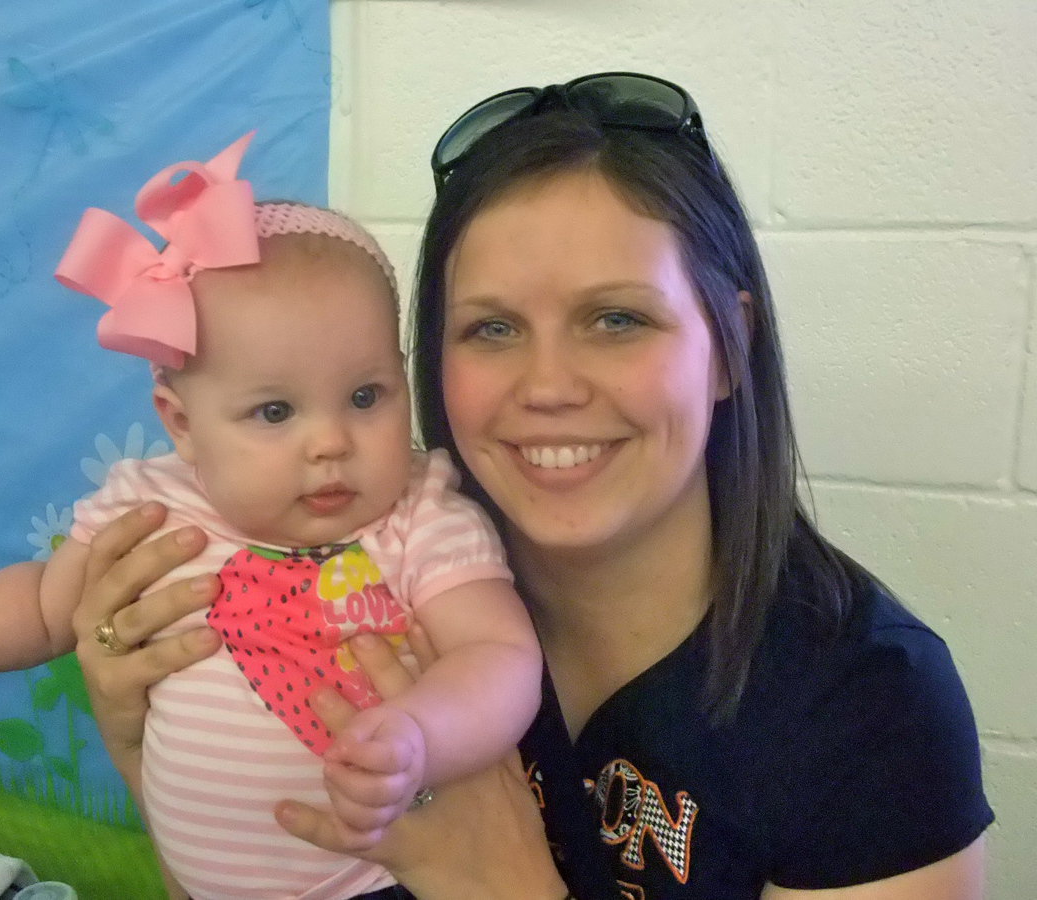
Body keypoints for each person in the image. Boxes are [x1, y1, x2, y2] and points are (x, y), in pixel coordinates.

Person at [66, 73, 994, 899]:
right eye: (494, 330)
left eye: (617, 319)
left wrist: (500, 884)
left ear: (730, 345)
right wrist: (133, 735)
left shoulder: (871, 709)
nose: (547, 386)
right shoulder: (369, 572)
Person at [0, 133, 543, 900]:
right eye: (275, 411)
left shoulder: (416, 517)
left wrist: (420, 736)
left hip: (373, 881)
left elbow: (500, 658)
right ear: (180, 422)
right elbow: (44, 604)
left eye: (367, 396)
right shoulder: (151, 503)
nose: (332, 443)